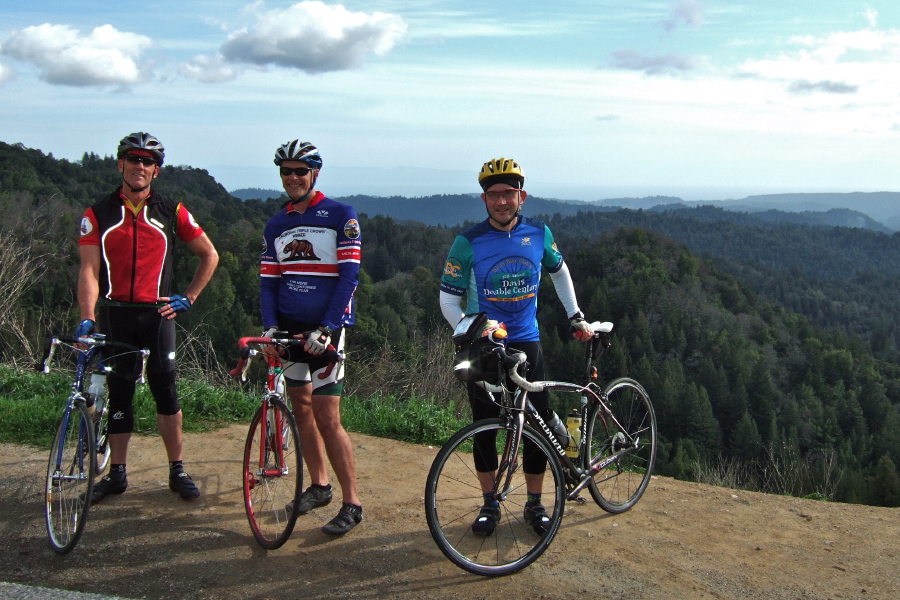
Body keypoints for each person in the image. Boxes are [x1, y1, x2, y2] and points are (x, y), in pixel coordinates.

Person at [439, 157, 593, 536]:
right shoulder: (468, 242)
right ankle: (490, 504)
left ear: (522, 196)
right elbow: (447, 300)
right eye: (494, 195)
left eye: (509, 194)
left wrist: (575, 316)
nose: (501, 201)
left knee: (536, 427)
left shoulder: (539, 234)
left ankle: (535, 504)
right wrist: (473, 329)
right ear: (484, 199)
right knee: (484, 428)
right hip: (483, 347)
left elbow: (559, 272)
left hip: (528, 342)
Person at [77, 132, 219, 503]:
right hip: (115, 314)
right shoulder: (97, 214)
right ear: (120, 163)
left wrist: (188, 297)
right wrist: (87, 316)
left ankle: (177, 469)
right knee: (120, 391)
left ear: (156, 171)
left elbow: (210, 255)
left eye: (147, 161)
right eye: (133, 159)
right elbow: (89, 272)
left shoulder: (172, 211)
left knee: (165, 390)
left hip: (158, 314)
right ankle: (118, 475)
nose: (140, 166)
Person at [260, 139, 363, 536]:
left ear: (315, 173)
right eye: (286, 171)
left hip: (325, 333)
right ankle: (319, 487)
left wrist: (328, 327)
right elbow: (268, 283)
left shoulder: (340, 215)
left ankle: (352, 502)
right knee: (300, 408)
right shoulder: (276, 224)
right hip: (287, 330)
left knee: (327, 416)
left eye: (300, 171)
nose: (292, 178)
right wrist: (270, 327)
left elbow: (349, 277)